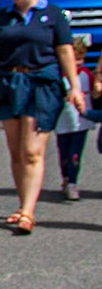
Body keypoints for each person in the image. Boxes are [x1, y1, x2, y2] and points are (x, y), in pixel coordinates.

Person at [0, 0, 87, 233]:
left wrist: (75, 88)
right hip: (9, 82)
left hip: (41, 84)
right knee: (16, 150)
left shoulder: (53, 15)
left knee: (32, 150)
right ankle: (23, 204)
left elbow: (65, 52)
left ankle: (28, 212)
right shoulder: (4, 17)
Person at [54, 35, 93, 201]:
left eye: (81, 59)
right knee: (63, 153)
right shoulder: (58, 77)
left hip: (81, 123)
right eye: (75, 59)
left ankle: (73, 183)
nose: (78, 63)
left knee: (75, 154)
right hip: (62, 122)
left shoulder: (86, 74)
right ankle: (65, 178)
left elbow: (94, 95)